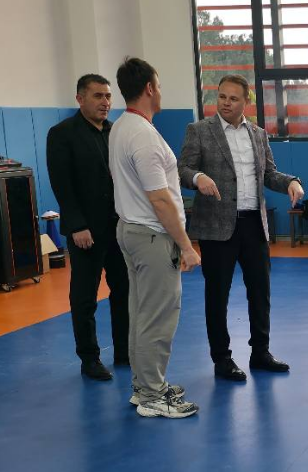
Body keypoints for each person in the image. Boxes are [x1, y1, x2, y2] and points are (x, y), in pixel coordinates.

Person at [178, 74, 302, 382]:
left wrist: (291, 182)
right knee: (217, 296)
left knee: (260, 292)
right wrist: (197, 178)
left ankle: (261, 352)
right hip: (217, 227)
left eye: (233, 98)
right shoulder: (199, 130)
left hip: (254, 225)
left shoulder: (258, 134)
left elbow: (269, 173)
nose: (226, 103)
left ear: (246, 101)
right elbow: (183, 169)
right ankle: (222, 359)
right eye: (222, 97)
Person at [109, 57, 201, 419]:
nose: (161, 91)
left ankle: (145, 386)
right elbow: (160, 199)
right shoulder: (143, 136)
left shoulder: (121, 127)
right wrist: (186, 246)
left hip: (132, 231)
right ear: (149, 88)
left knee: (141, 313)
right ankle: (151, 394)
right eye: (159, 85)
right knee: (158, 317)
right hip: (151, 236)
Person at [47, 74, 130, 381]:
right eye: (98, 96)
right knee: (84, 296)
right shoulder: (62, 134)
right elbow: (62, 184)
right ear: (80, 98)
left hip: (118, 227)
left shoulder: (115, 132)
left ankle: (124, 350)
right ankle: (90, 358)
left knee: (124, 290)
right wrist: (77, 225)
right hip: (86, 231)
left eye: (108, 96)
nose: (105, 102)